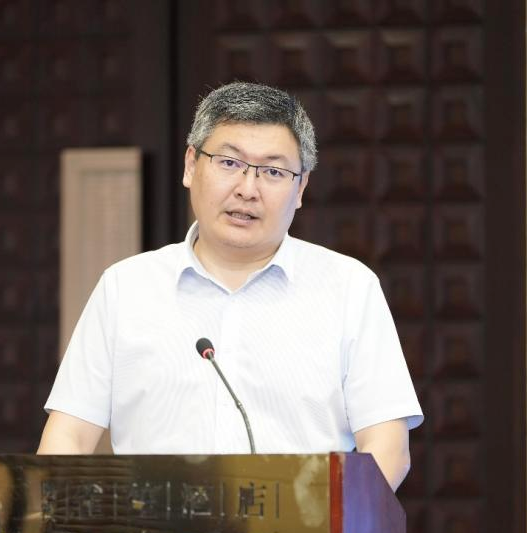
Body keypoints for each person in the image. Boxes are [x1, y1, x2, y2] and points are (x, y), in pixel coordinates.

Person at [37, 81, 423, 491]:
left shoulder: (349, 289)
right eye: (228, 162)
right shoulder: (126, 287)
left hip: (303, 531)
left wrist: (329, 522)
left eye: (273, 172)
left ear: (301, 188)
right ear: (191, 165)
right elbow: (68, 437)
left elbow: (388, 448)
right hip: (152, 530)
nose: (247, 189)